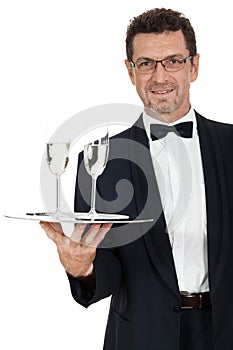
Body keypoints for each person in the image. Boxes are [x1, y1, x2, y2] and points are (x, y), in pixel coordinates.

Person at [40, 8, 233, 350]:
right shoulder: (100, 160)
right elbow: (108, 270)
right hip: (141, 336)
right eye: (146, 63)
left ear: (194, 66)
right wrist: (83, 268)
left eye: (173, 61)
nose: (160, 77)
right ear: (130, 71)